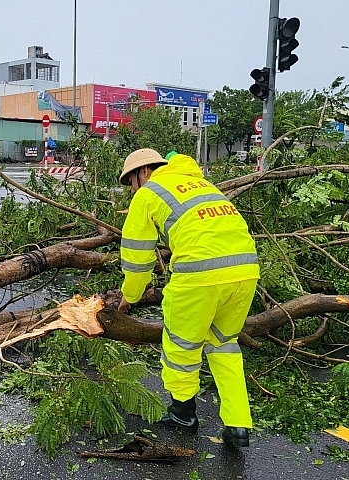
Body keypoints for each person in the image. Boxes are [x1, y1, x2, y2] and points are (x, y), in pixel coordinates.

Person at [117, 148, 259, 447]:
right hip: (246, 272)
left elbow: (136, 255)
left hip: (199, 275)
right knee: (224, 345)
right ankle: (238, 424)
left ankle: (183, 414)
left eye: (130, 181)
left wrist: (129, 296)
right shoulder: (204, 185)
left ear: (143, 172)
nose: (132, 189)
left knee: (181, 345)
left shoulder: (149, 192)